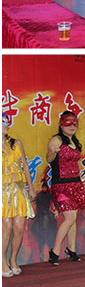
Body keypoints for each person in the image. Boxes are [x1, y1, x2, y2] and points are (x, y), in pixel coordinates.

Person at [46, 111, 85, 265]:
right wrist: (52, 152)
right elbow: (49, 159)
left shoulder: (75, 142)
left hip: (76, 184)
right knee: (70, 218)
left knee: (73, 219)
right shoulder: (56, 140)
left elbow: (74, 165)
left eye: (75, 123)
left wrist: (82, 180)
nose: (72, 126)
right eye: (68, 123)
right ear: (61, 124)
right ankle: (55, 251)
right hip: (61, 185)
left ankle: (71, 250)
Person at [2, 113, 36, 277]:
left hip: (19, 189)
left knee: (19, 227)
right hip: (2, 190)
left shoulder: (16, 143)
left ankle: (13, 259)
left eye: (6, 122)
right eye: (2, 122)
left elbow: (25, 165)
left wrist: (31, 187)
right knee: (6, 226)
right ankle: (2, 261)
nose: (6, 125)